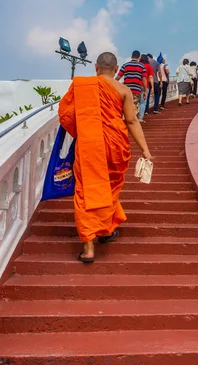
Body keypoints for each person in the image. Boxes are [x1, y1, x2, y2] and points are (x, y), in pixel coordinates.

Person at [58, 52, 152, 263]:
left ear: (96, 68)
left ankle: (89, 247)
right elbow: (131, 121)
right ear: (117, 69)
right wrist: (145, 149)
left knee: (86, 190)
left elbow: (66, 113)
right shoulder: (124, 90)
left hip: (90, 145)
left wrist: (82, 130)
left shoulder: (82, 85)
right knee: (109, 187)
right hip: (116, 144)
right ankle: (106, 231)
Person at [117, 50, 147, 117]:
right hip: (136, 91)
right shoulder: (142, 66)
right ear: (139, 57)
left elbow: (118, 77)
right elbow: (144, 79)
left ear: (131, 56)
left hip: (126, 91)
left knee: (124, 109)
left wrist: (112, 85)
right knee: (134, 111)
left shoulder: (125, 65)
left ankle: (124, 125)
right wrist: (145, 91)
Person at [139, 54, 154, 123]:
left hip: (136, 85)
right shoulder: (148, 66)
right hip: (145, 86)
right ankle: (140, 118)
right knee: (143, 102)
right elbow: (151, 77)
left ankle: (133, 117)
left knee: (134, 102)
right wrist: (152, 87)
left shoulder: (138, 65)